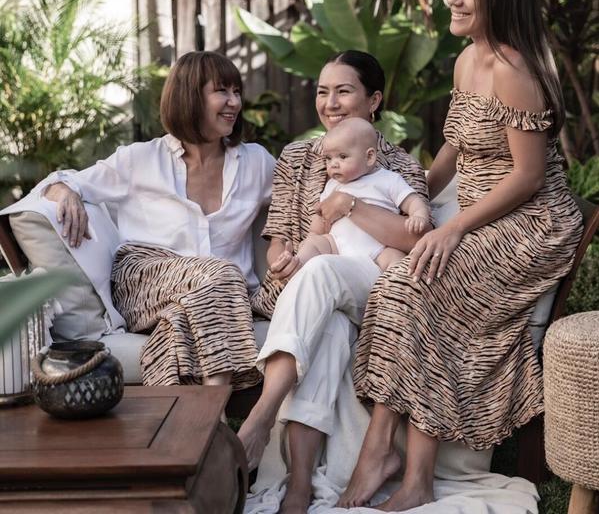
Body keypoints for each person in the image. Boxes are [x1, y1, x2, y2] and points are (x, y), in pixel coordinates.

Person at [338, 0, 584, 511]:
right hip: (481, 213)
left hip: (532, 223)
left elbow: (527, 176)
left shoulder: (515, 70)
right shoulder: (467, 58)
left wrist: (451, 229)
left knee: (425, 283)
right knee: (401, 285)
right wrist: (416, 196)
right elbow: (454, 144)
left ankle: (405, 470)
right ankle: (387, 452)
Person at [238, 50, 430, 513]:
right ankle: (300, 485)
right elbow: (280, 240)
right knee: (329, 330)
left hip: (372, 284)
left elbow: (413, 240)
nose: (330, 103)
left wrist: (350, 206)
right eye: (323, 92)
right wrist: (284, 261)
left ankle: (262, 414)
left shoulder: (398, 166)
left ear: (374, 100)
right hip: (312, 283)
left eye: (343, 91)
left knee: (322, 272)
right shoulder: (297, 157)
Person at [41, 51, 275, 391]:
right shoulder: (141, 159)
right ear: (190, 97)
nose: (234, 102)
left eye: (237, 91)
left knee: (181, 320)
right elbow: (62, 181)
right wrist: (65, 192)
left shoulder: (256, 163)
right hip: (144, 280)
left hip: (217, 296)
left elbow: (299, 198)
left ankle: (197, 418)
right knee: (223, 273)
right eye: (222, 91)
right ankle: (217, 405)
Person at [292, 117, 430, 272]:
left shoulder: (388, 179)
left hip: (378, 249)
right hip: (337, 246)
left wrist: (419, 216)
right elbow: (321, 216)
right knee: (313, 244)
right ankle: (295, 267)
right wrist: (312, 235)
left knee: (397, 260)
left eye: (342, 156)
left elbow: (412, 201)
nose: (333, 164)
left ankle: (389, 286)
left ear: (369, 157)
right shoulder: (332, 186)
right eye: (328, 158)